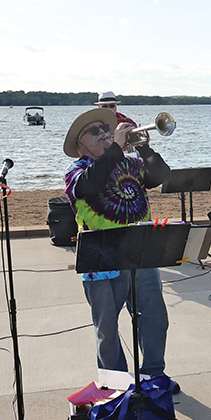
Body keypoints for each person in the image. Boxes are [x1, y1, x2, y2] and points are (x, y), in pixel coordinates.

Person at [63, 106, 178, 385]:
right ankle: (116, 384)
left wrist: (145, 150)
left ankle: (154, 374)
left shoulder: (128, 162)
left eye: (105, 130)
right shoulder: (76, 170)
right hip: (102, 261)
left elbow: (162, 176)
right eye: (95, 131)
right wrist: (114, 146)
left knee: (154, 318)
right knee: (107, 329)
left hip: (141, 253)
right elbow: (88, 188)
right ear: (80, 145)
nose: (103, 134)